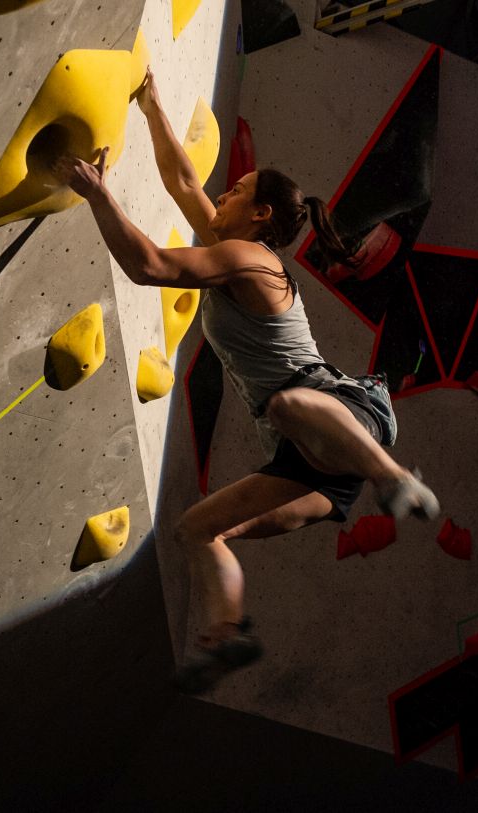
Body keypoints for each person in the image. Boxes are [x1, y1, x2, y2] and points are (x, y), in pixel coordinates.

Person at [55, 69, 439, 694]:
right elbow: (184, 182)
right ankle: (227, 634)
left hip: (339, 413)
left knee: (286, 404)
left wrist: (99, 194)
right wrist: (153, 107)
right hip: (309, 462)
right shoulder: (234, 249)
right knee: (195, 530)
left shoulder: (252, 259)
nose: (221, 196)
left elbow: (149, 265)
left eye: (234, 191)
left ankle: (394, 478)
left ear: (260, 215)